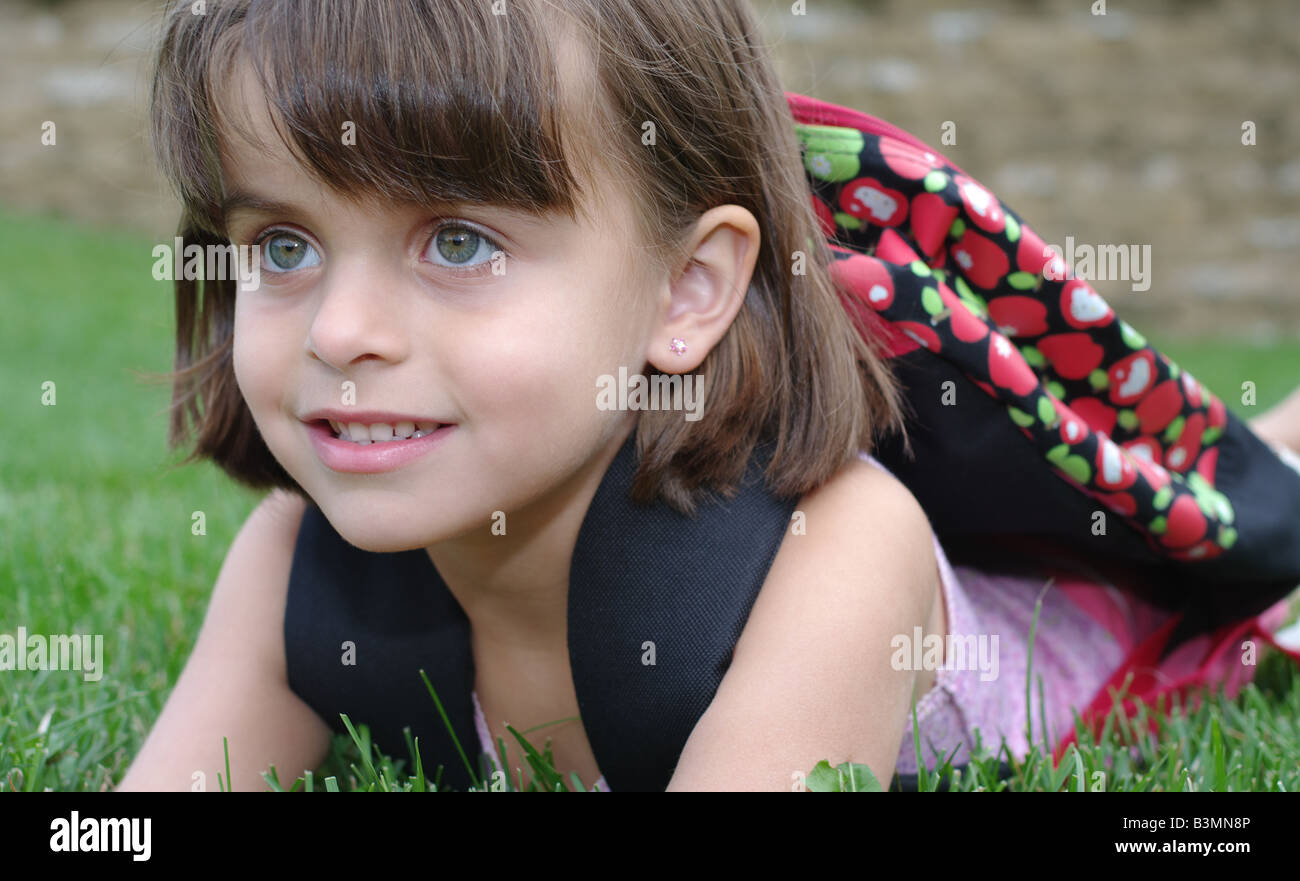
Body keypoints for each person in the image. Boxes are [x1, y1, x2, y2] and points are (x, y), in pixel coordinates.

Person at [116, 0, 1297, 792]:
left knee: (1271, 498)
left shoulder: (826, 548)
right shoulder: (299, 568)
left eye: (460, 242)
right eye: (281, 246)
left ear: (688, 289)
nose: (340, 331)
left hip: (1088, 617)